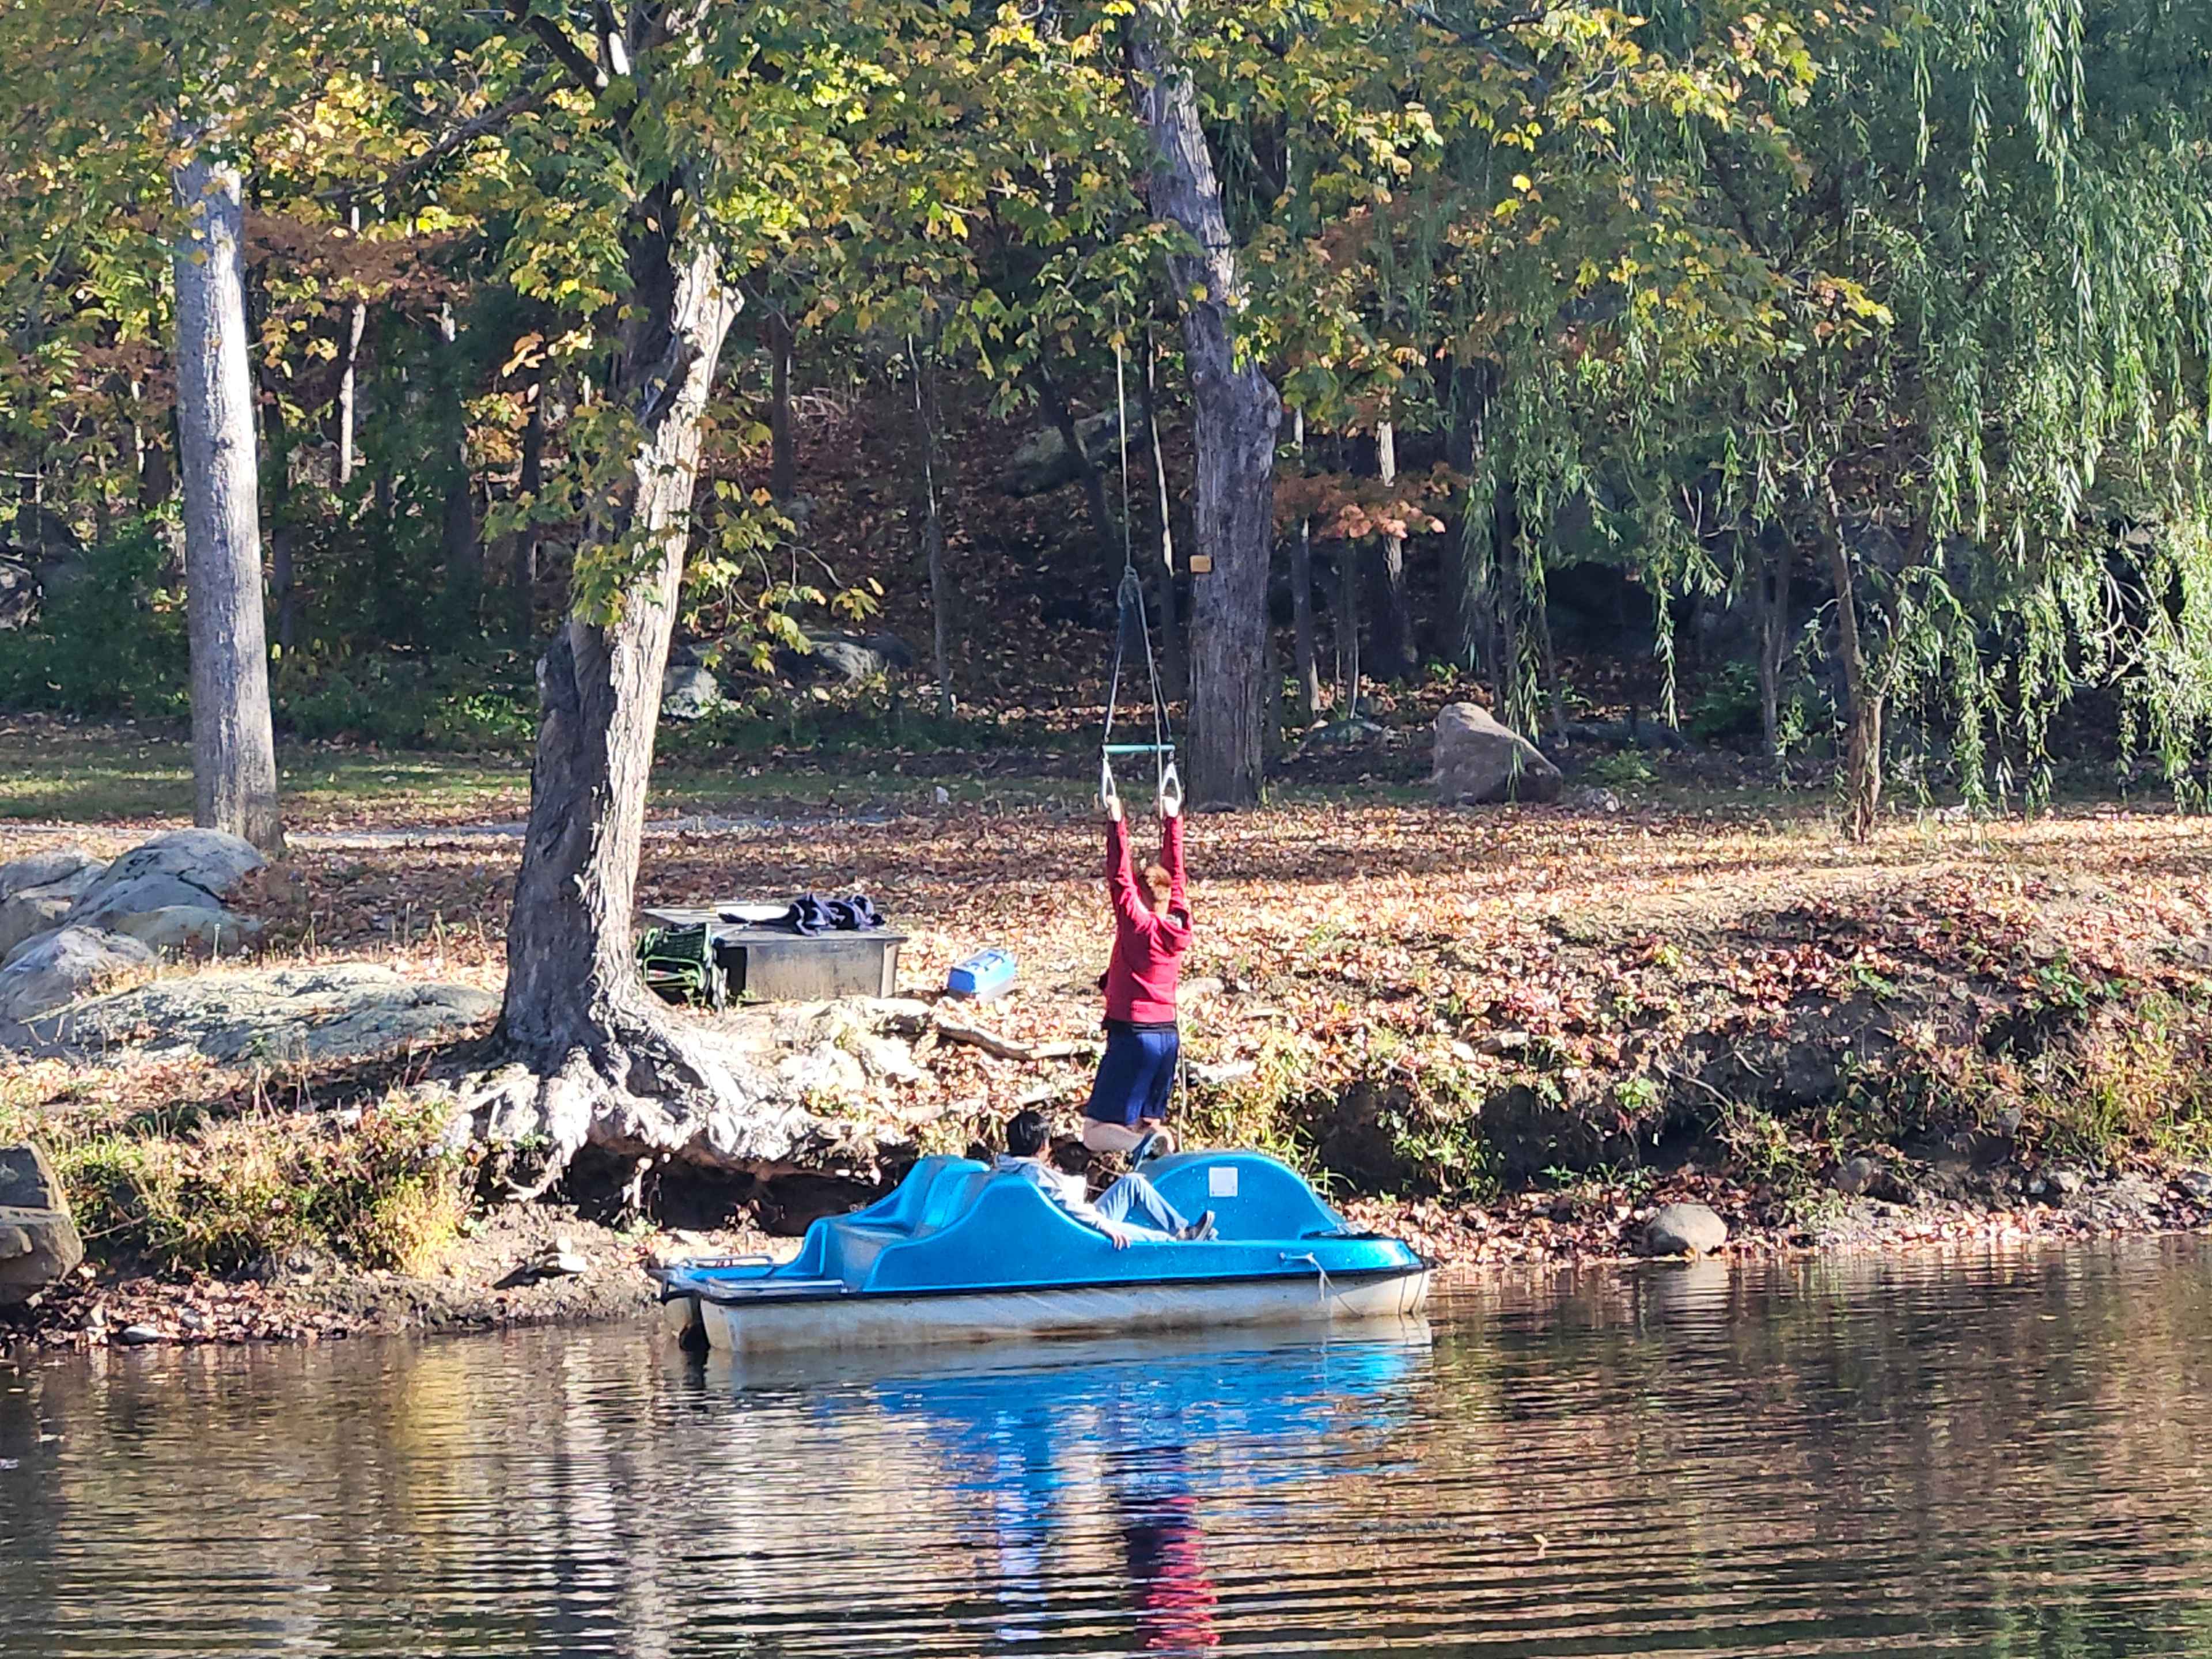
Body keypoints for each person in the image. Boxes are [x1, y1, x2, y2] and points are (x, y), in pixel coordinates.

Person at [1083, 766, 1190, 1159]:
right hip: (1167, 1037)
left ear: (1142, 898)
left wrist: (1117, 823)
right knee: (1150, 1120)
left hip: (1133, 1034)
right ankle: (1162, 1166)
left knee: (1094, 1132)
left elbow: (1119, 877)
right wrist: (1173, 819)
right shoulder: (1179, 920)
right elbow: (1176, 873)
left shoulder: (1137, 925)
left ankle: (1140, 1146)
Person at [994, 1109, 1213, 1247]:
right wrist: (1103, 1226)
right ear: (1043, 1145)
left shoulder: (1010, 1166)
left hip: (1080, 1220)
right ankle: (1182, 1244)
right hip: (1082, 1230)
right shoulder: (1035, 1174)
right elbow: (1067, 1205)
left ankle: (1183, 1230)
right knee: (1155, 1239)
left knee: (1133, 1183)